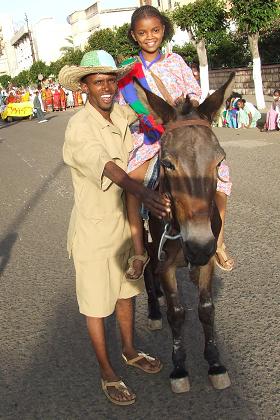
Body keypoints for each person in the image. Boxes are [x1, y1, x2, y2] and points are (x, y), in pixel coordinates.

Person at [58, 50, 170, 406]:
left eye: (110, 81)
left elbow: (149, 116)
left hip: (126, 224)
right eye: (97, 82)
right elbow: (109, 167)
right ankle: (107, 371)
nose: (105, 87)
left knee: (126, 292)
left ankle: (129, 351)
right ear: (85, 87)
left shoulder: (120, 112)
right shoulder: (79, 126)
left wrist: (159, 101)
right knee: (96, 305)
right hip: (94, 232)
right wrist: (144, 192)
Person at [118, 5, 234, 276]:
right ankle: (138, 250)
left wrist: (186, 107)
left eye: (155, 30)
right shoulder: (127, 71)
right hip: (149, 136)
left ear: (164, 31)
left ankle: (218, 241)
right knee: (131, 182)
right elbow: (125, 102)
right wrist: (149, 118)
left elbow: (194, 92)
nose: (150, 36)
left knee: (223, 176)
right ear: (134, 35)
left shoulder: (176, 61)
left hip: (182, 133)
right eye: (143, 32)